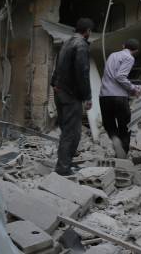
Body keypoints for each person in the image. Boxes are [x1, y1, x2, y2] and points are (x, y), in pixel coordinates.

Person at [51, 18, 94, 176]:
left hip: (60, 92)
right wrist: (88, 96)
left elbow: (58, 65)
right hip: (70, 96)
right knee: (72, 133)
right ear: (88, 31)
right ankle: (63, 168)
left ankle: (65, 164)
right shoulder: (81, 45)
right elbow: (82, 73)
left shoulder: (66, 42)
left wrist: (53, 83)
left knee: (66, 130)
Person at [99, 39, 141, 158]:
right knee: (124, 126)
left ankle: (115, 139)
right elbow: (120, 76)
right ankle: (122, 155)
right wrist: (133, 88)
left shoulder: (112, 55)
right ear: (136, 50)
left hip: (104, 96)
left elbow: (113, 75)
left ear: (123, 45)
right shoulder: (129, 58)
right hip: (119, 97)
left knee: (109, 124)